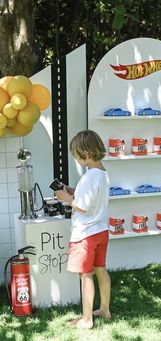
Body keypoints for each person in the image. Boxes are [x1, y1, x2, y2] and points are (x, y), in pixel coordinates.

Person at [55, 129, 111, 329]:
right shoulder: (102, 174)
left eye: (77, 156)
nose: (76, 160)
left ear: (86, 154)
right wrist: (73, 191)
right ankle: (105, 309)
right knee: (101, 270)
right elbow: (89, 197)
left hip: (85, 235)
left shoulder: (89, 177)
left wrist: (66, 198)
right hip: (101, 231)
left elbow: (82, 206)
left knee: (85, 275)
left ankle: (86, 319)